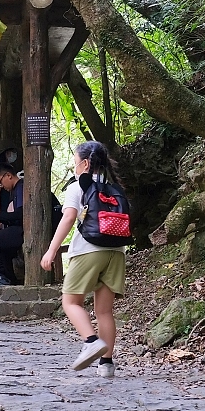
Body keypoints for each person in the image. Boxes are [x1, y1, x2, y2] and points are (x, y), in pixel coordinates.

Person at [41, 141, 126, 378]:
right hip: (116, 251)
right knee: (105, 311)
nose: (74, 166)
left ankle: (91, 341)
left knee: (71, 302)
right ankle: (107, 364)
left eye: (75, 161)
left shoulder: (78, 186)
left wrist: (51, 250)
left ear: (85, 163)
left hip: (88, 249)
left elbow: (69, 218)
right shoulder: (114, 187)